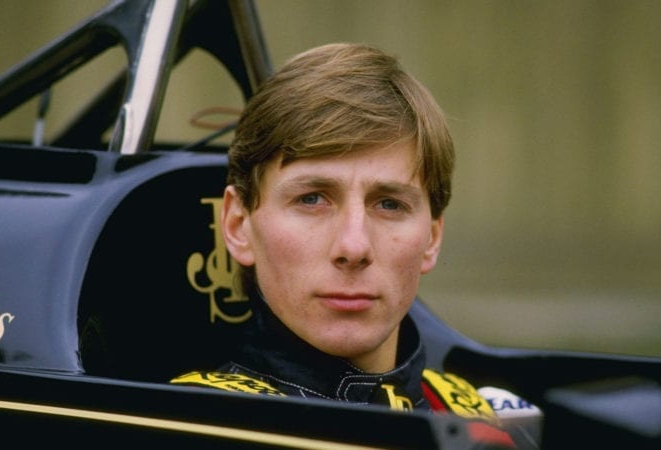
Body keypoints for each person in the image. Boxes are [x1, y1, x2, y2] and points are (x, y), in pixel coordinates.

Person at [171, 42, 520, 448]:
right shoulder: (187, 426)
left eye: (389, 204)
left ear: (432, 238)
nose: (354, 246)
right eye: (312, 199)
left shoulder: (477, 414)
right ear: (237, 225)